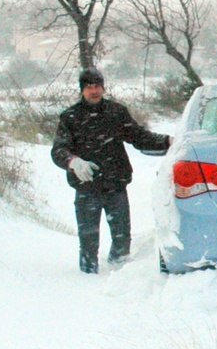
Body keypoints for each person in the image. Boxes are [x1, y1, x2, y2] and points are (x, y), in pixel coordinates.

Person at [51, 68, 173, 274]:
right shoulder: (70, 117)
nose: (94, 91)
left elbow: (138, 136)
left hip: (115, 183)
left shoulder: (116, 112)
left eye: (97, 86)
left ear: (103, 87)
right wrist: (73, 161)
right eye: (88, 87)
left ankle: (121, 273)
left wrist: (168, 142)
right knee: (88, 239)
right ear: (82, 90)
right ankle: (88, 277)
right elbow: (58, 150)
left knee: (122, 237)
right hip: (86, 187)